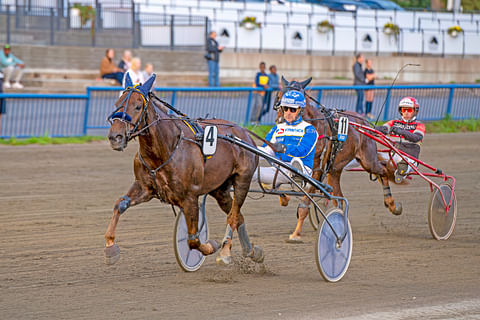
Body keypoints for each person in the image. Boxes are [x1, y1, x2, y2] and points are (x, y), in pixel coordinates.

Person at [252, 89, 318, 194]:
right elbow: (266, 151)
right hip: (279, 170)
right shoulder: (277, 129)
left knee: (296, 162)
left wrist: (284, 148)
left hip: (302, 170)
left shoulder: (309, 129)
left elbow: (303, 151)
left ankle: (299, 177)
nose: (288, 113)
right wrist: (248, 149)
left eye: (292, 109)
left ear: (300, 110)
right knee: (247, 172)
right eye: (285, 109)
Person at [375, 97, 425, 184]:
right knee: (374, 155)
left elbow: (416, 137)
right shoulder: (394, 122)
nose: (405, 112)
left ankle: (402, 171)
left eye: (409, 110)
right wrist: (372, 128)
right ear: (400, 110)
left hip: (410, 157)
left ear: (415, 111)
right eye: (403, 109)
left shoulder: (419, 125)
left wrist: (401, 131)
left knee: (404, 162)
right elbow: (383, 129)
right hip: (393, 155)